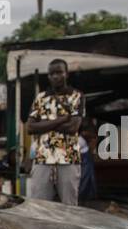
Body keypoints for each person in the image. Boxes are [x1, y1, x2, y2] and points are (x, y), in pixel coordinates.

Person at [26, 58, 85, 205]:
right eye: (52, 74)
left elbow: (73, 128)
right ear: (48, 76)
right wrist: (62, 119)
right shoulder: (41, 98)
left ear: (67, 74)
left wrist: (44, 124)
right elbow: (30, 127)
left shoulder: (76, 96)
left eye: (59, 72)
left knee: (69, 205)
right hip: (43, 157)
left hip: (68, 157)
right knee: (39, 205)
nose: (55, 77)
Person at [78, 117, 100, 201]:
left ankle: (84, 197)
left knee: (86, 179)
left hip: (85, 155)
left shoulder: (87, 131)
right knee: (83, 178)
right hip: (82, 154)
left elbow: (93, 137)